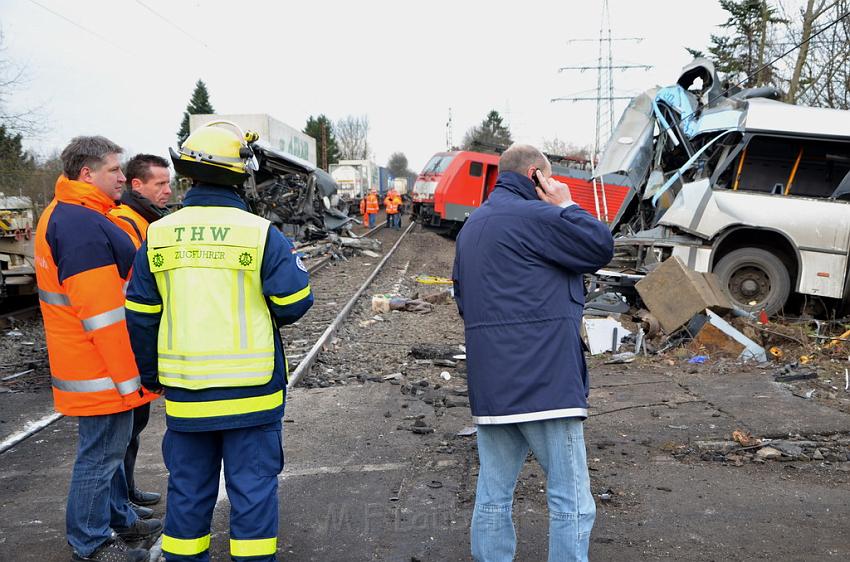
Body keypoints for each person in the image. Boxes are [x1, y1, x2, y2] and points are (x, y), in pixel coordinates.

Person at [124, 121, 314, 562]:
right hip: (252, 395)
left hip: (188, 396)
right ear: (240, 175)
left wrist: (152, 375)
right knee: (253, 494)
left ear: (187, 174)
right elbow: (294, 301)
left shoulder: (158, 235)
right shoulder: (259, 233)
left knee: (188, 493)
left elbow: (140, 314)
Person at [452, 144, 614, 562]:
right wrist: (568, 202)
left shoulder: (472, 227)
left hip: (491, 386)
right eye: (550, 176)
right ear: (537, 176)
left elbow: (463, 300)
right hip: (546, 387)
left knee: (493, 495)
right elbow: (599, 246)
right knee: (571, 498)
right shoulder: (542, 216)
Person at [34, 136, 162, 562]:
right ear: (87, 174)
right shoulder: (79, 224)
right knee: (99, 458)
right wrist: (131, 379)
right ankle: (90, 544)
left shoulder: (78, 214)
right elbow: (103, 315)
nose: (123, 177)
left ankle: (120, 520)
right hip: (100, 367)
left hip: (94, 364)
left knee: (107, 453)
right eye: (114, 170)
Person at [110, 154, 173, 514]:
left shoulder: (146, 221)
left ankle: (128, 492)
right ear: (138, 186)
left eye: (168, 183)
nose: (167, 190)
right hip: (125, 339)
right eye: (159, 184)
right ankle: (120, 505)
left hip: (135, 338)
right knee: (124, 430)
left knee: (135, 426)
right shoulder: (125, 222)